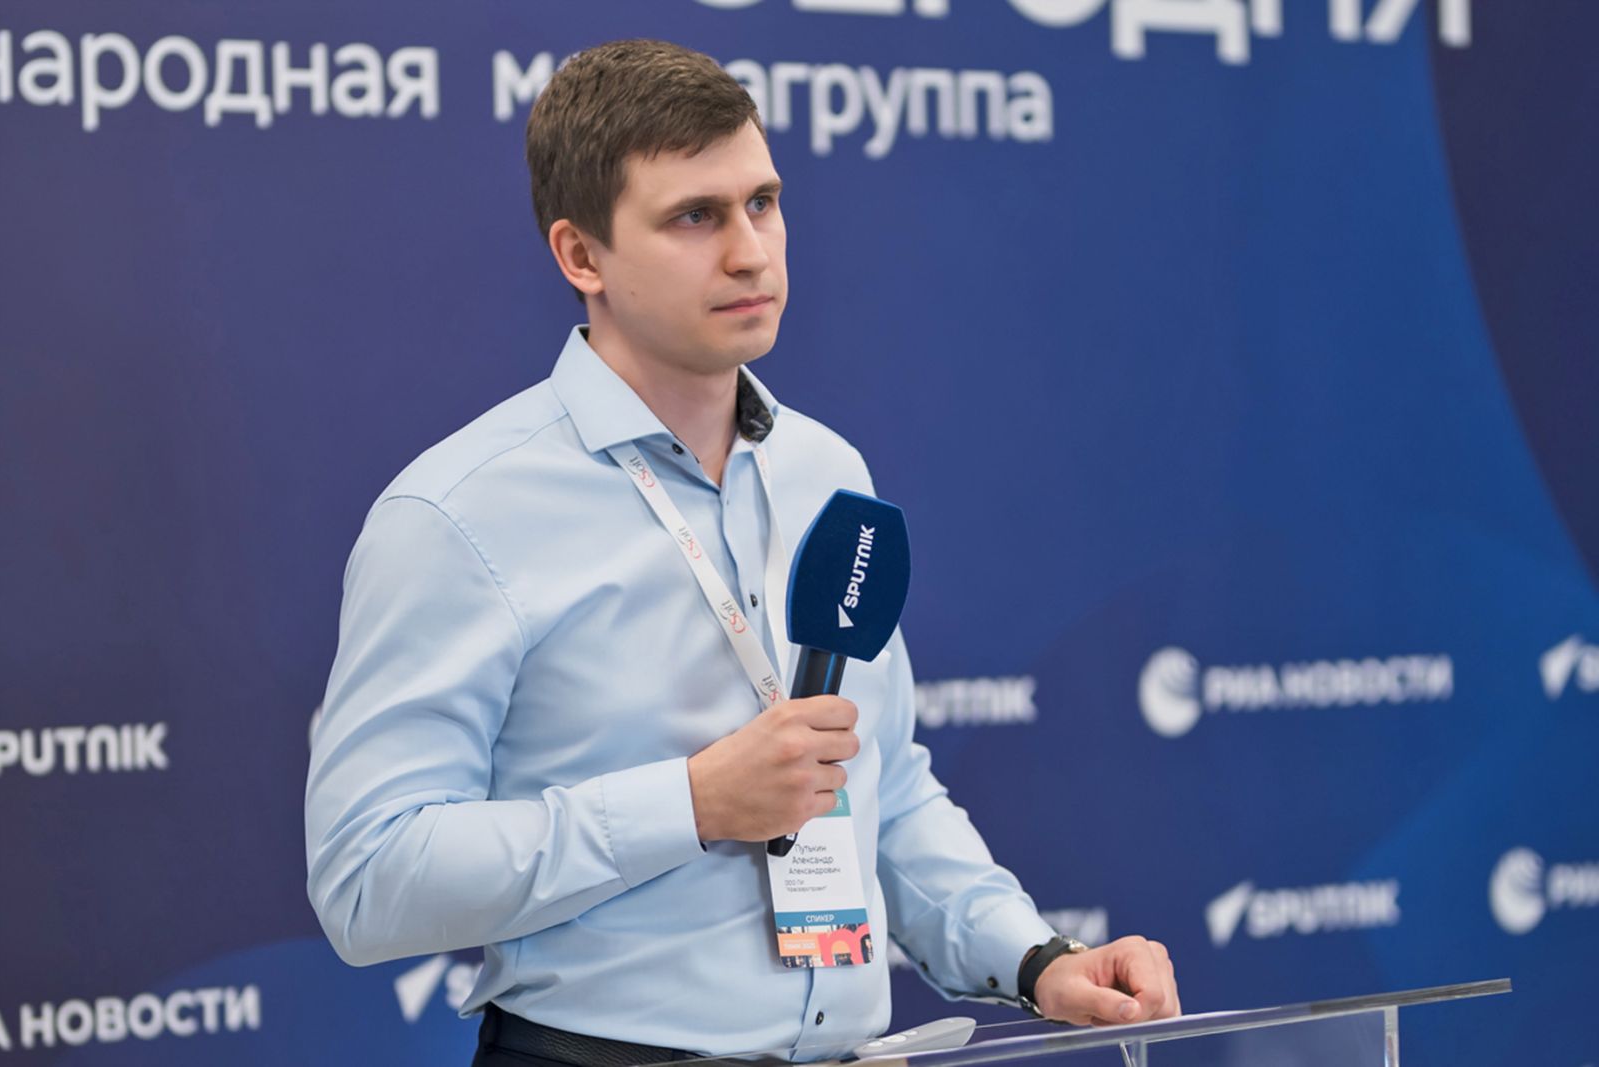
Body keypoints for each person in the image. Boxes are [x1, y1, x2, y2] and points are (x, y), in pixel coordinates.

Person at [304, 38, 1179, 1066]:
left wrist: (1035, 958)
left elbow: (882, 787)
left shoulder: (827, 472)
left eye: (762, 202)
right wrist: (691, 802)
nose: (750, 252)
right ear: (581, 256)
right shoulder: (459, 512)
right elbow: (367, 876)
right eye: (695, 217)